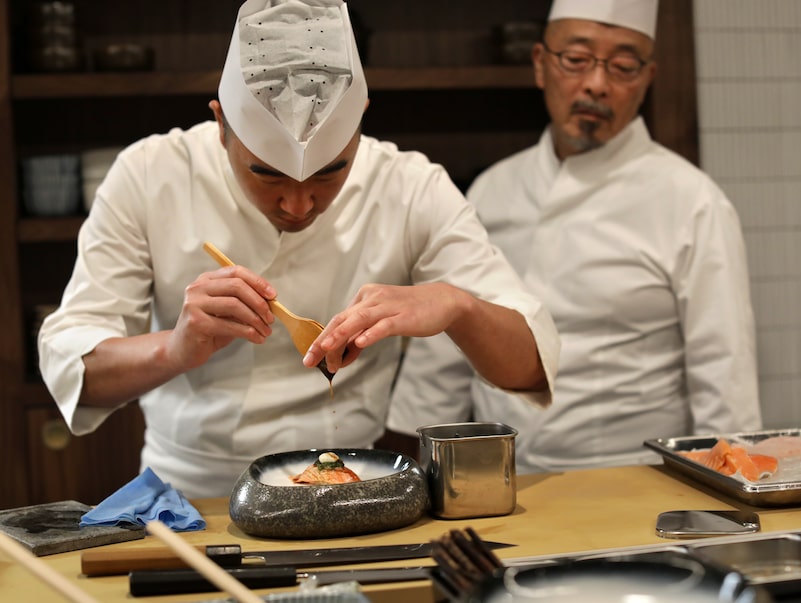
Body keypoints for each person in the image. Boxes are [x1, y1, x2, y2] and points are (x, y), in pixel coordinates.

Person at [37, 0, 560, 499]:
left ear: (361, 124)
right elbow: (75, 372)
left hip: (350, 485)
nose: (298, 203)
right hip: (191, 494)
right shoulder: (151, 173)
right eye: (266, 173)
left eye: (331, 170)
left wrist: (456, 305)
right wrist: (174, 349)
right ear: (222, 125)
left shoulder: (409, 185)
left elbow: (530, 366)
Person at [384, 0, 762, 473]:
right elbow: (443, 353)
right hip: (500, 481)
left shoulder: (693, 201)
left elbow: (724, 373)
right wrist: (415, 470)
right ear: (540, 64)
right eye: (576, 60)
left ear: (647, 78)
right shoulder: (491, 188)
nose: (596, 85)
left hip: (637, 483)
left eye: (623, 66)